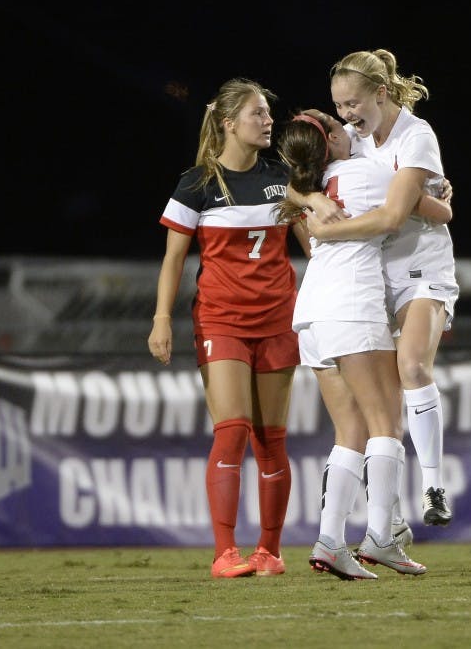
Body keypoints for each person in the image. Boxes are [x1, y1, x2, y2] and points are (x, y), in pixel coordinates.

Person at [277, 110, 451, 578]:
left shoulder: (311, 185)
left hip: (311, 312)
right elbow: (441, 213)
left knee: (350, 431)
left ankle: (330, 541)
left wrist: (311, 203)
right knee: (385, 424)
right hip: (353, 305)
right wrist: (433, 190)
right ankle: (381, 538)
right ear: (332, 138)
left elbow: (285, 189)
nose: (350, 127)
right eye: (339, 124)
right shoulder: (369, 172)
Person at [148, 78, 309, 578]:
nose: (268, 121)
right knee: (233, 429)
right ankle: (224, 553)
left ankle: (270, 552)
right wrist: (161, 319)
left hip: (279, 319)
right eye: (258, 113)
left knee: (271, 439)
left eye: (268, 113)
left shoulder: (283, 179)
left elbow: (317, 246)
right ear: (229, 124)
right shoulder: (196, 184)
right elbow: (173, 260)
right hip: (221, 319)